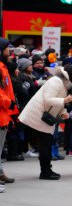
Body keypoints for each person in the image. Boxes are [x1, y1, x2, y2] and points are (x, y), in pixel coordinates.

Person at [19, 64, 72, 180]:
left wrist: (63, 112)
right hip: (40, 116)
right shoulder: (56, 81)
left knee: (46, 144)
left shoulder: (64, 83)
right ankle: (45, 171)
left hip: (46, 117)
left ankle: (47, 170)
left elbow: (57, 101)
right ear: (70, 73)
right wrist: (65, 100)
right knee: (45, 144)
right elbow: (48, 99)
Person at [0, 38, 19, 191]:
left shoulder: (3, 66)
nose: (9, 51)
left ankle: (0, 173)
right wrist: (10, 103)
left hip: (4, 113)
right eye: (7, 48)